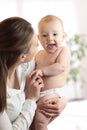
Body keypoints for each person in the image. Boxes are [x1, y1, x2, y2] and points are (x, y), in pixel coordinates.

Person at [0, 16, 67, 130]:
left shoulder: (27, 66)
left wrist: (62, 101)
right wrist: (31, 100)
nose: (40, 47)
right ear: (22, 56)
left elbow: (53, 80)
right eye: (36, 44)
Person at [30, 15, 71, 130]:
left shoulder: (63, 50)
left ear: (63, 36)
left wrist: (42, 71)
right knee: (32, 123)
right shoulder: (38, 54)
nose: (49, 38)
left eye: (55, 34)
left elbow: (61, 67)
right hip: (37, 95)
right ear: (39, 38)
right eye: (44, 35)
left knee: (40, 122)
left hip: (52, 93)